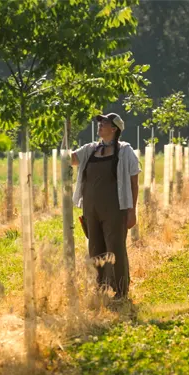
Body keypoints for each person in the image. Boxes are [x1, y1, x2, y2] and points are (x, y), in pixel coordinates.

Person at [71, 113, 140, 299]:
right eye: (99, 123)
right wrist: (65, 134)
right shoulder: (90, 149)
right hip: (91, 209)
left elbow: (134, 183)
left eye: (105, 123)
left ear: (115, 128)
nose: (100, 125)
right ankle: (101, 288)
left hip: (115, 209)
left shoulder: (125, 151)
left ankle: (120, 291)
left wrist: (132, 211)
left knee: (115, 248)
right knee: (95, 248)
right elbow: (71, 160)